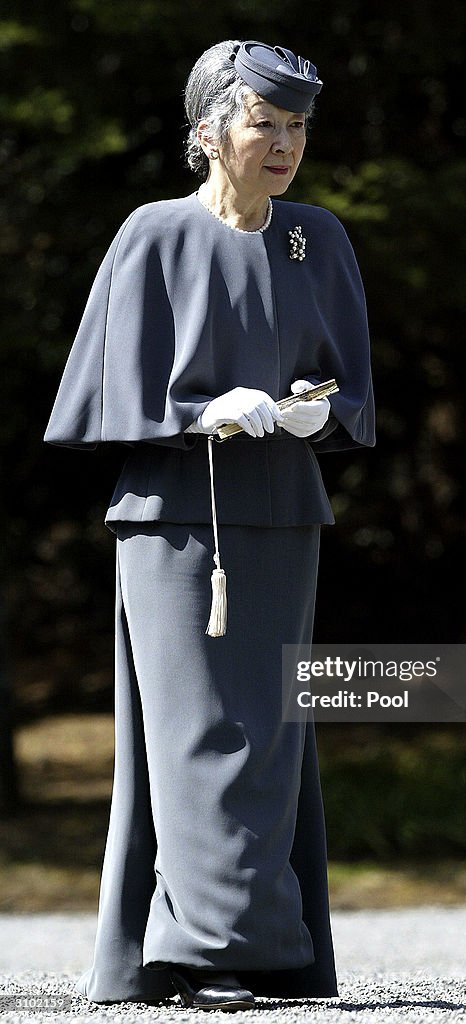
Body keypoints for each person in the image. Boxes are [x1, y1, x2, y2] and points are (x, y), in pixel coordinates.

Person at [44, 38, 375, 1012]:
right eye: (262, 123)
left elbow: (353, 390)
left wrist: (322, 411)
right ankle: (208, 948)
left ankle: (263, 942)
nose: (282, 144)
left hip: (282, 513)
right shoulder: (152, 234)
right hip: (177, 524)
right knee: (196, 733)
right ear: (207, 131)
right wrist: (199, 412)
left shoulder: (318, 237)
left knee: (271, 732)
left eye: (297, 127)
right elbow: (100, 390)